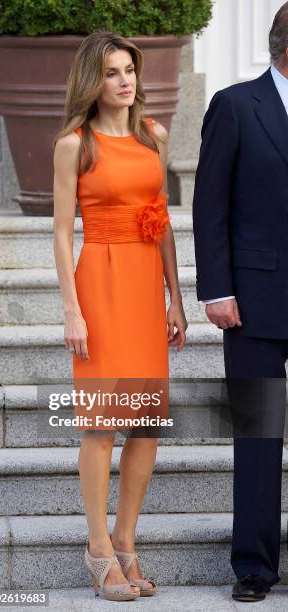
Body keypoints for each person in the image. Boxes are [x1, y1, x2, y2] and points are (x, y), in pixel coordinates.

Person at [53, 31, 187, 601]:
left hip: (144, 286)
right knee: (101, 422)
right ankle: (98, 550)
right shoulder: (73, 144)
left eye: (129, 69)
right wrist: (72, 310)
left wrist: (176, 298)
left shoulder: (153, 136)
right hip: (100, 284)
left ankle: (126, 540)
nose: (125, 80)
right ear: (93, 80)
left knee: (147, 423)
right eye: (111, 72)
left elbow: (162, 224)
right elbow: (61, 232)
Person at [193, 2, 288, 604]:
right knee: (257, 434)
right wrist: (217, 289)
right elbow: (210, 206)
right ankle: (252, 566)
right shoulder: (234, 105)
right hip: (253, 299)